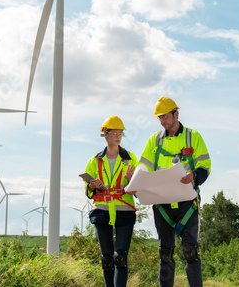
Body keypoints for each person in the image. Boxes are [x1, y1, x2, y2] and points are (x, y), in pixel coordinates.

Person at [139, 97, 211, 287]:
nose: (162, 121)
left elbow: (205, 166)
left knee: (190, 251)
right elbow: (143, 169)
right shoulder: (153, 140)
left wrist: (194, 175)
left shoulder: (193, 136)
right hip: (161, 204)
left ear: (176, 115)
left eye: (165, 117)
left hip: (187, 202)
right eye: (159, 118)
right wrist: (135, 182)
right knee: (165, 253)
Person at [84, 115, 138, 287]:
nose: (117, 136)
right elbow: (88, 191)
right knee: (107, 259)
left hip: (125, 210)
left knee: (120, 257)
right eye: (113, 132)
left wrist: (132, 181)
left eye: (120, 133)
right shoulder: (94, 160)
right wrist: (93, 186)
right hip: (101, 210)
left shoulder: (131, 158)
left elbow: (139, 189)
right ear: (105, 135)